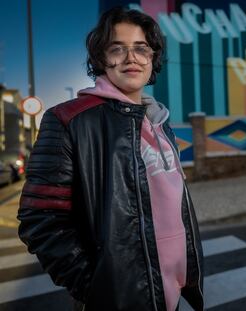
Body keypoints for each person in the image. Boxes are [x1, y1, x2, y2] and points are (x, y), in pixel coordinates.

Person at [17, 6, 204, 311]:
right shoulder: (67, 120)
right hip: (117, 299)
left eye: (141, 48)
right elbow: (40, 220)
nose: (131, 57)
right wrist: (97, 287)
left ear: (153, 58)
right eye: (117, 48)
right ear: (102, 59)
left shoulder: (160, 120)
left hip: (170, 292)